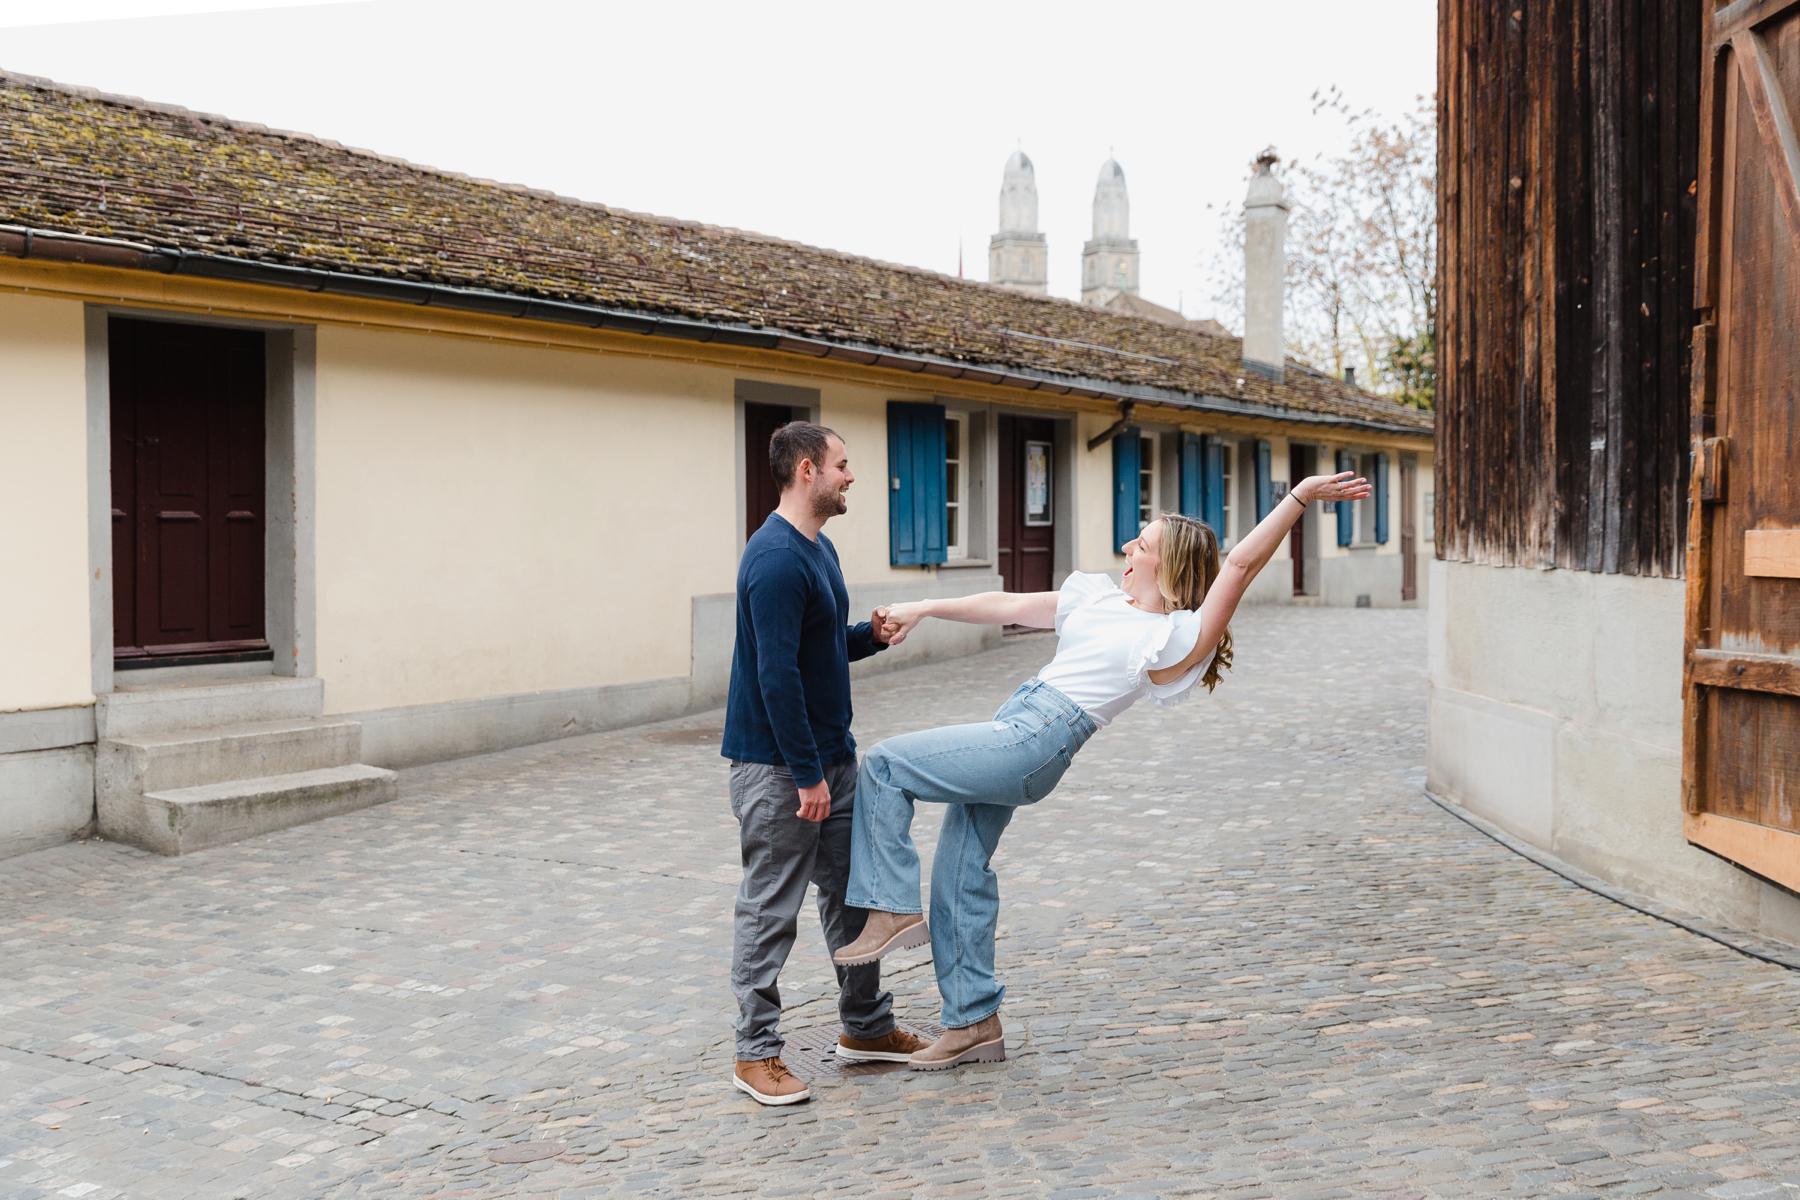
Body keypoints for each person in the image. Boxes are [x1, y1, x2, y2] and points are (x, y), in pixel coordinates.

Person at [834, 470, 1372, 1071]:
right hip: (1016, 718)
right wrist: (925, 606)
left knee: (884, 765)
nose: (1127, 549)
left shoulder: (1175, 636)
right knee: (960, 871)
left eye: (1141, 545)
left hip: (1035, 740)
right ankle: (973, 1023)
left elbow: (1241, 565)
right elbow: (1009, 605)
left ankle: (889, 908)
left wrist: (1297, 497)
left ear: (1166, 567)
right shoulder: (1099, 597)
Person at [721, 421, 929, 1106]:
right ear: (807, 470)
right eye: (842, 464)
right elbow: (775, 677)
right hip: (781, 771)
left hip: (830, 762)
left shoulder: (820, 549)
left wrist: (870, 636)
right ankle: (756, 1055)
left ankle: (865, 1028)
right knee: (769, 909)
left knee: (852, 901)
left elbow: (816, 651)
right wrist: (806, 774)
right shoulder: (775, 559)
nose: (851, 475)